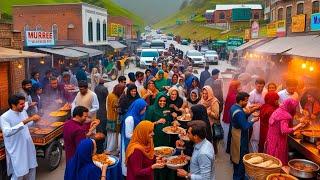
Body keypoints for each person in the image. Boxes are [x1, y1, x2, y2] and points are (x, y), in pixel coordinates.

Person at [0, 94, 40, 180]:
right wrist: (26, 121)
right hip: (17, 149)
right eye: (21, 104)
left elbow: (28, 124)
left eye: (24, 103)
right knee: (19, 173)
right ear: (13, 105)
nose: (24, 106)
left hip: (28, 145)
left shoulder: (23, 112)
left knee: (32, 168)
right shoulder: (4, 117)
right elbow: (7, 132)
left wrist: (34, 120)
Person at [229, 92, 259, 180]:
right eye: (246, 101)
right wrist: (253, 120)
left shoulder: (234, 107)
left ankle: (238, 176)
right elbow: (245, 126)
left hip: (235, 133)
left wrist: (251, 111)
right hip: (240, 137)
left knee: (236, 158)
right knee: (240, 159)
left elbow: (241, 117)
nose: (247, 103)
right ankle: (239, 177)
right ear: (241, 101)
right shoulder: (239, 112)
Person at [266, 99, 304, 165]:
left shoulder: (279, 110)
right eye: (294, 107)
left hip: (271, 138)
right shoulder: (284, 116)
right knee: (277, 161)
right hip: (278, 141)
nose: (294, 109)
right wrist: (298, 126)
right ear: (290, 107)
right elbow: (284, 130)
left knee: (271, 161)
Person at [121, 98, 147, 177]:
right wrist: (141, 136)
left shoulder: (137, 115)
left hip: (135, 142)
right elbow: (128, 135)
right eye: (143, 109)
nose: (144, 111)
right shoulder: (130, 119)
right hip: (129, 144)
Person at [106, 84, 126, 154]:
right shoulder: (114, 98)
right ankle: (111, 150)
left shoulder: (110, 95)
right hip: (114, 119)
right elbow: (117, 109)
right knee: (113, 136)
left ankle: (109, 148)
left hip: (110, 117)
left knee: (110, 135)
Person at [199, 86, 219, 153]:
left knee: (210, 141)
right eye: (203, 93)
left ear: (210, 93)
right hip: (203, 123)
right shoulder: (202, 100)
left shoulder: (214, 101)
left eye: (206, 93)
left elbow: (216, 116)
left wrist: (209, 112)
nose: (204, 95)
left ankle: (211, 154)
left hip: (211, 125)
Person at [248, 78, 266, 153]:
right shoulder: (251, 94)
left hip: (263, 116)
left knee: (261, 135)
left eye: (262, 86)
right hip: (254, 116)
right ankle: (254, 152)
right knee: (254, 136)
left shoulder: (265, 92)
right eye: (259, 86)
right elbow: (248, 105)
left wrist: (262, 107)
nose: (260, 88)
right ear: (255, 85)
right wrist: (256, 106)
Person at [222, 80, 241, 149]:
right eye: (239, 86)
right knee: (229, 134)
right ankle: (228, 148)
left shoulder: (231, 94)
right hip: (230, 118)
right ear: (235, 87)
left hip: (228, 116)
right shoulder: (234, 96)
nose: (240, 88)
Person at [94, 78, 109, 152]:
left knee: (98, 126)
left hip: (98, 109)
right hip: (103, 108)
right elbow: (107, 96)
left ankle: (98, 143)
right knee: (103, 127)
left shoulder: (96, 88)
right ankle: (103, 145)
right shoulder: (105, 89)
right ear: (103, 83)